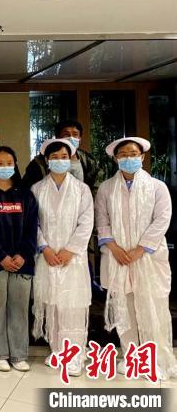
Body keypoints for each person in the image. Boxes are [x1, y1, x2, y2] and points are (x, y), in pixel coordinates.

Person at [96, 137, 177, 380]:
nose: (128, 158)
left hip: (148, 258)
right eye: (123, 154)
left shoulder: (157, 187)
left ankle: (157, 359)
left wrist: (140, 250)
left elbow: (162, 220)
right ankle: (131, 356)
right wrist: (114, 248)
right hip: (118, 257)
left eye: (133, 153)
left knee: (153, 308)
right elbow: (102, 220)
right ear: (115, 159)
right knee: (125, 309)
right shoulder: (106, 188)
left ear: (142, 157)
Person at [31, 138, 93, 378]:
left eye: (64, 157)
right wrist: (44, 248)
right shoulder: (37, 189)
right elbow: (33, 223)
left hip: (72, 258)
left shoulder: (82, 189)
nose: (59, 161)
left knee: (72, 305)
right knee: (53, 304)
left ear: (71, 159)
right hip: (47, 257)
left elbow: (86, 223)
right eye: (54, 157)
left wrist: (71, 249)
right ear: (47, 161)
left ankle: (75, 355)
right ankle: (57, 350)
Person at [0, 146, 38, 373]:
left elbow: (33, 228)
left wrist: (23, 254)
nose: (4, 167)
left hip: (23, 262)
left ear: (15, 164)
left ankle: (19, 354)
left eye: (8, 163)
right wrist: (1, 255)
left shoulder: (25, 194)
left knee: (19, 308)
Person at [24, 120, 102, 195]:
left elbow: (96, 188)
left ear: (80, 139)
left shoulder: (89, 161)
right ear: (57, 137)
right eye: (66, 134)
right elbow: (27, 190)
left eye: (75, 134)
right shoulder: (40, 162)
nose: (71, 138)